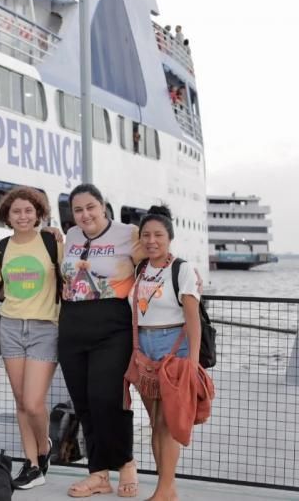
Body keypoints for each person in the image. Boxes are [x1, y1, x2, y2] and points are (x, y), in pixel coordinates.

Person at [58, 184, 142, 498]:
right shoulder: (72, 236)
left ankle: (127, 462)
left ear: (102, 206)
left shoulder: (127, 233)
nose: (85, 214)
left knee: (108, 398)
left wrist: (189, 275)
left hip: (112, 326)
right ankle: (98, 475)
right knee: (84, 403)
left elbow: (154, 260)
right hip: (72, 326)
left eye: (90, 207)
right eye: (78, 210)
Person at [129, 206, 201, 501]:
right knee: (154, 420)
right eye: (146, 235)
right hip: (144, 348)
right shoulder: (140, 269)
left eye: (158, 234)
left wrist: (193, 361)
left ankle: (165, 489)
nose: (152, 240)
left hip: (174, 346)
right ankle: (165, 486)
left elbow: (193, 318)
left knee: (167, 422)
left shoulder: (181, 269)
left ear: (169, 238)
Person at [0, 188, 62, 490]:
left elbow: (73, 272)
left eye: (28, 211)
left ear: (38, 213)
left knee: (34, 403)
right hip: (9, 325)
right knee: (21, 400)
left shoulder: (51, 242)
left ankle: (44, 449)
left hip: (44, 327)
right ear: (7, 216)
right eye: (16, 212)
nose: (22, 216)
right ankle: (32, 465)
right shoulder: (1, 248)